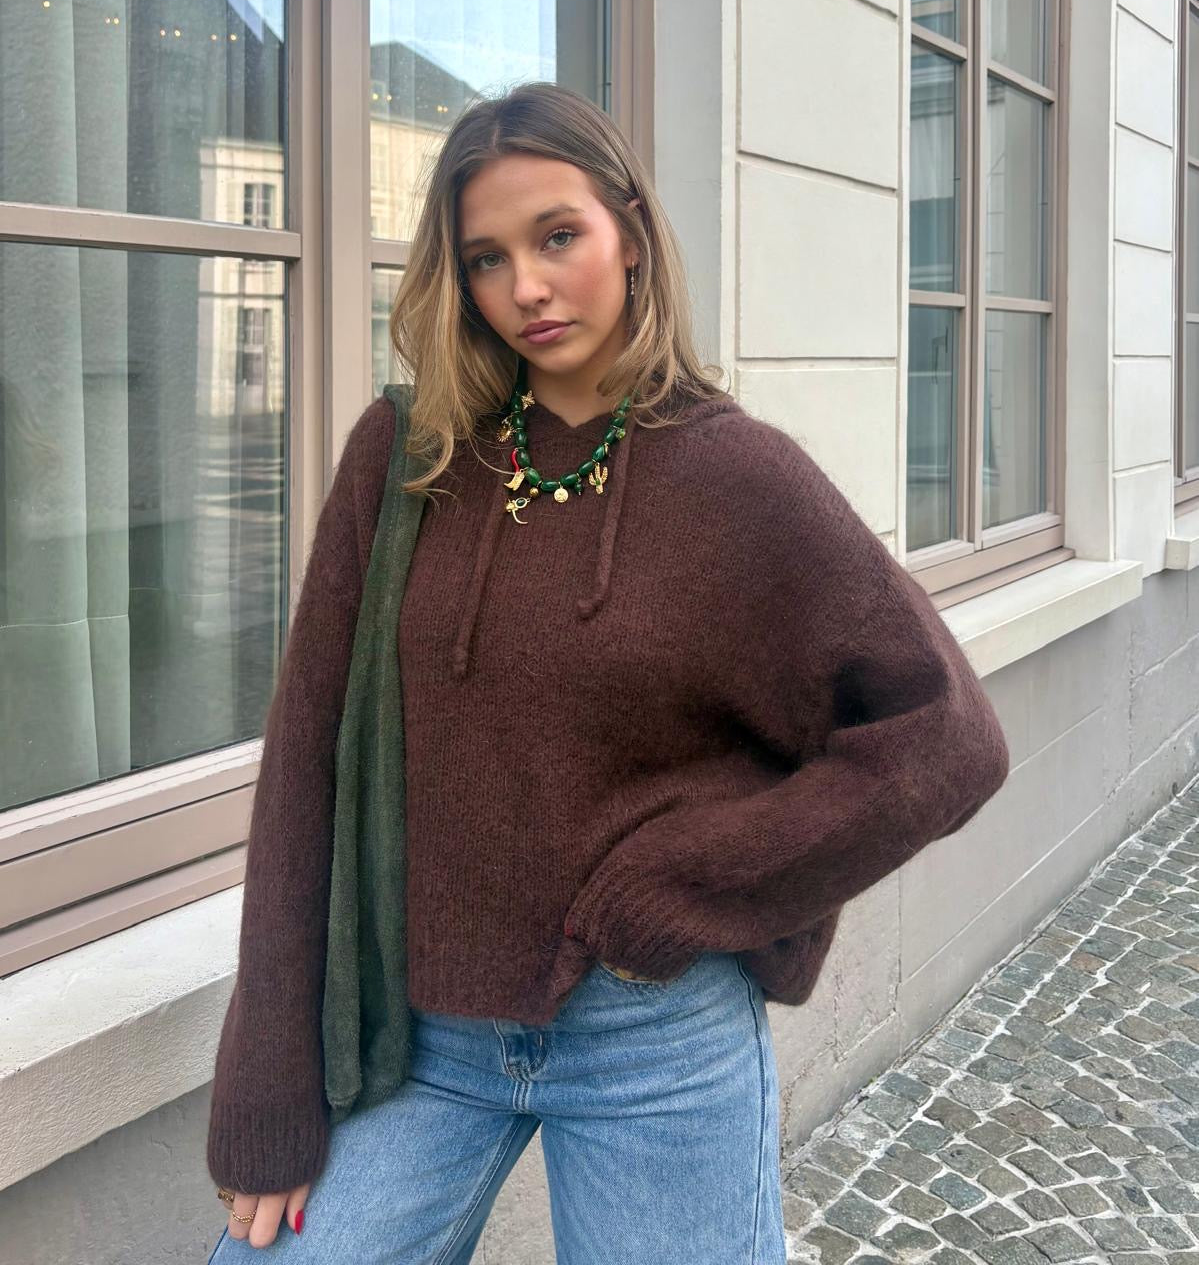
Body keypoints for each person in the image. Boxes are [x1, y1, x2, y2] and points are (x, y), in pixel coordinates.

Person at [204, 81, 1009, 1262]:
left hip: (653, 1041)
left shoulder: (738, 478)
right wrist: (265, 1084)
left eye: (556, 236)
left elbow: (945, 736)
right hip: (413, 1038)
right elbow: (306, 770)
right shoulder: (408, 460)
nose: (525, 286)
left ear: (628, 231)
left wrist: (693, 880)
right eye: (485, 258)